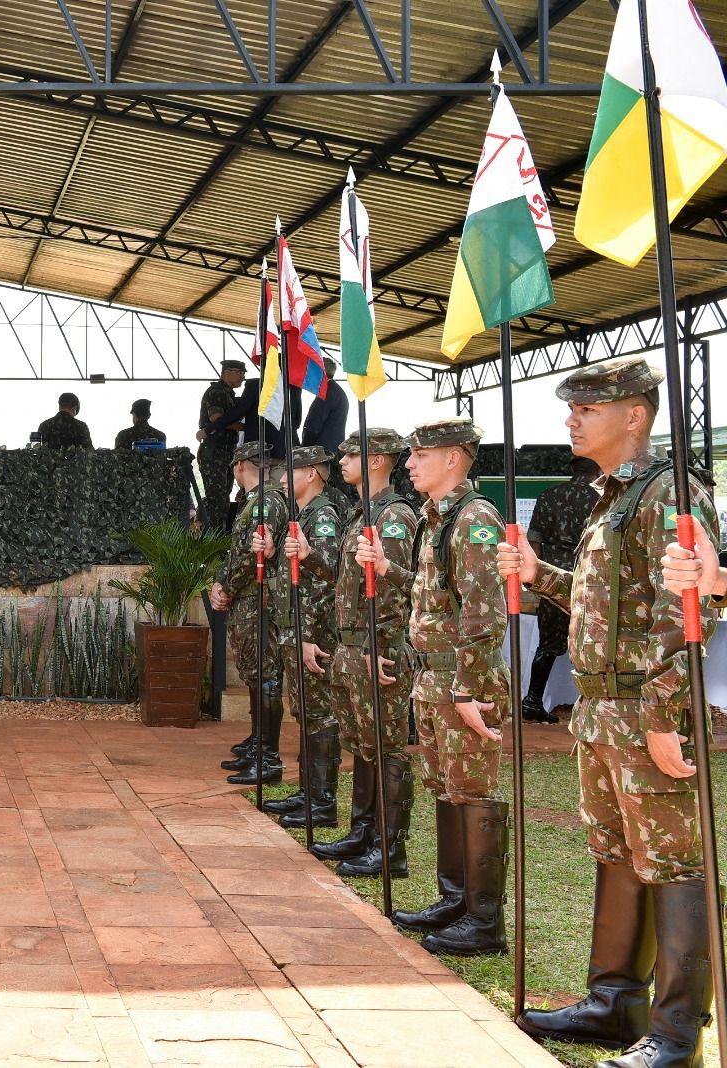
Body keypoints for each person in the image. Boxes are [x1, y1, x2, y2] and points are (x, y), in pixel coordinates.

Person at [502, 358, 719, 1067]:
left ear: (634, 416)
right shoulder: (613, 497)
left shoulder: (669, 492)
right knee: (618, 852)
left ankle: (677, 1035)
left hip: (640, 708)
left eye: (586, 409)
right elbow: (607, 601)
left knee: (674, 862)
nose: (572, 421)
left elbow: (687, 609)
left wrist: (663, 715)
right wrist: (540, 576)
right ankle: (613, 1003)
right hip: (601, 711)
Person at [359, 417, 509, 957]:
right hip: (433, 675)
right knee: (447, 790)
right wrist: (389, 570)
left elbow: (484, 614)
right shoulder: (438, 518)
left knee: (473, 792)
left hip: (458, 679)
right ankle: (455, 900)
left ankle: (484, 920)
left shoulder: (474, 519)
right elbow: (437, 594)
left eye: (420, 455)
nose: (409, 464)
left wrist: (469, 690)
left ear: (452, 459)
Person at [309, 429, 420, 878]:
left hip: (377, 648)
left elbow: (394, 589)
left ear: (376, 461)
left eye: (351, 454)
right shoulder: (361, 513)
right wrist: (308, 557)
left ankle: (389, 848)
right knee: (364, 744)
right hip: (352, 646)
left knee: (387, 747)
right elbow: (346, 580)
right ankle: (363, 832)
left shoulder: (393, 516)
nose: (342, 461)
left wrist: (377, 645)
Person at [255, 445, 344, 828]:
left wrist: (308, 636)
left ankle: (322, 801)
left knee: (319, 715)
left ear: (311, 474)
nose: (282, 478)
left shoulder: (322, 515)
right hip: (296, 628)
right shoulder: (302, 514)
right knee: (306, 713)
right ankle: (309, 792)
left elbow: (328, 578)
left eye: (291, 471)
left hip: (313, 633)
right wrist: (274, 550)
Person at [211, 442, 287, 786]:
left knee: (265, 674)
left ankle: (267, 757)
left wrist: (227, 586)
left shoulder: (267, 502)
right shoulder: (253, 500)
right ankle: (258, 744)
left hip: (260, 600)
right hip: (248, 599)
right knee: (256, 673)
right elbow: (237, 552)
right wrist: (221, 582)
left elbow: (252, 557)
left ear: (241, 465)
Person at [522, 456, 601, 723]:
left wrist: (536, 579)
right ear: (597, 470)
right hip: (588, 578)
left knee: (547, 644)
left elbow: (534, 541)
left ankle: (533, 700)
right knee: (593, 642)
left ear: (571, 469)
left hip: (551, 578)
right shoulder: (601, 498)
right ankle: (593, 706)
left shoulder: (548, 496)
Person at [196, 361, 246, 530]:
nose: (243, 377)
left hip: (224, 452)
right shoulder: (217, 391)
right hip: (214, 452)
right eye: (240, 373)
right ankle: (212, 538)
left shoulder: (228, 393)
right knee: (215, 500)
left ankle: (219, 536)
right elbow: (217, 419)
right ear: (228, 372)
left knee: (223, 499)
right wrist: (245, 427)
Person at [301, 358, 350, 452]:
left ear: (320, 371)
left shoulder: (326, 392)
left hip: (322, 453)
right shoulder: (336, 391)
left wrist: (304, 448)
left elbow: (314, 425)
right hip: (333, 449)